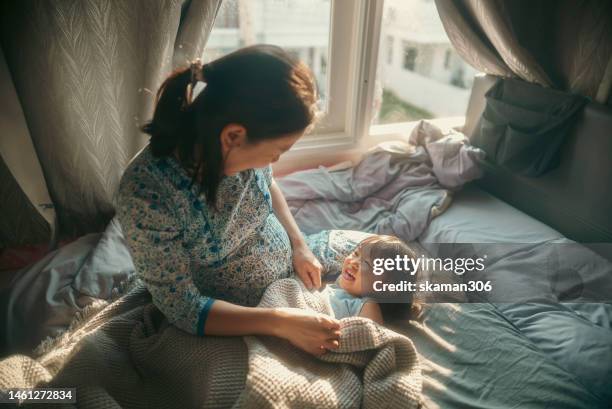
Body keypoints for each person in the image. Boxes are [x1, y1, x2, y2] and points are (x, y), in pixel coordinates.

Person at [115, 45, 340, 356]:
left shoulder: (236, 150)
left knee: (393, 266)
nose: (275, 159)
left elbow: (268, 185)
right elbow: (183, 308)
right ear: (233, 136)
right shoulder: (147, 195)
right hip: (242, 319)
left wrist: (299, 245)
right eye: (280, 150)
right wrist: (280, 322)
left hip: (293, 272)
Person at [318, 233, 420, 324]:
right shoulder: (337, 281)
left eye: (366, 263)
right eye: (356, 253)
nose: (353, 262)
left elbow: (372, 337)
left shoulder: (368, 305)